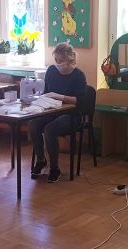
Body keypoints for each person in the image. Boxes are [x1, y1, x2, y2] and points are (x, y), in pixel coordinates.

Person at [30, 42, 88, 183]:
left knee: (49, 130)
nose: (57, 63)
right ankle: (41, 160)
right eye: (55, 60)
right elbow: (46, 92)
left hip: (72, 116)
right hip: (52, 111)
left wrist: (59, 96)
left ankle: (54, 168)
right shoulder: (51, 71)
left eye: (60, 60)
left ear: (70, 60)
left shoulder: (78, 75)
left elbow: (80, 101)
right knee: (33, 124)